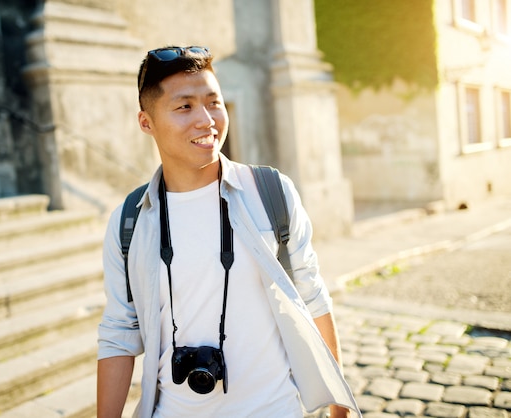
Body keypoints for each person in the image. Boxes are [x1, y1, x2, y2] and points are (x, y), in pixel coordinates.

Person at [97, 45, 360, 418]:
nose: (206, 119)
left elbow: (312, 297)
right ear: (146, 122)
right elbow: (118, 333)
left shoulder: (272, 192)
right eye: (184, 106)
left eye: (214, 102)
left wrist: (340, 410)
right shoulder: (129, 220)